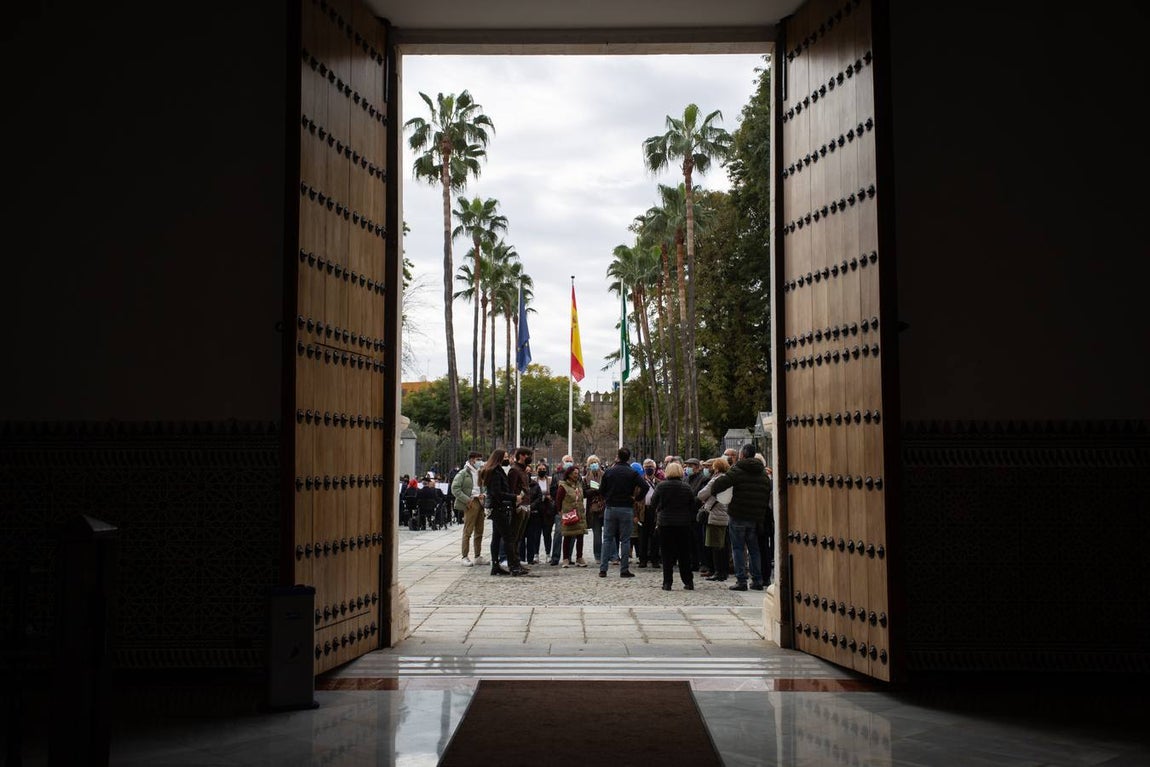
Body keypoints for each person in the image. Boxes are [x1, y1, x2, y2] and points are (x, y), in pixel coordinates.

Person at [709, 443, 770, 591]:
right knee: (754, 549)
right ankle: (757, 580)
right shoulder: (763, 473)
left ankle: (741, 580)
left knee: (737, 548)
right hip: (756, 517)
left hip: (738, 515)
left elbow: (718, 485)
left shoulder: (738, 469)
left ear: (742, 455)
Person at [597, 447, 646, 579]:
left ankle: (603, 569)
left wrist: (608, 497)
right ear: (628, 458)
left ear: (617, 456)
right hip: (626, 507)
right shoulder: (632, 472)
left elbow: (601, 490)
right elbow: (645, 486)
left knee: (607, 538)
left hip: (611, 507)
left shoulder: (609, 472)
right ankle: (624, 569)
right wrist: (637, 498)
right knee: (625, 540)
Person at [479, 449, 529, 576]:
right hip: (499, 509)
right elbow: (497, 493)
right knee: (509, 537)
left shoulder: (496, 470)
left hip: (498, 508)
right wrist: (514, 497)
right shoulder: (495, 472)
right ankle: (513, 566)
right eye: (506, 457)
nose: (508, 459)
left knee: (497, 537)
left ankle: (496, 565)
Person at [648, 460, 696, 590]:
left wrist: (660, 510)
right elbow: (693, 505)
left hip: (665, 523)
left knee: (666, 554)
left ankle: (667, 582)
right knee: (684, 554)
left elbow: (653, 503)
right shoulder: (686, 487)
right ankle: (688, 581)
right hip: (683, 524)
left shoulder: (661, 486)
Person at [696, 457, 731, 582]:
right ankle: (722, 571)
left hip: (715, 514)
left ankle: (718, 572)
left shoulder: (716, 479)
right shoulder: (728, 479)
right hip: (725, 513)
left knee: (715, 545)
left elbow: (702, 494)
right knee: (723, 545)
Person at [451, 451, 487, 567]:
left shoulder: (480, 472)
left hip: (480, 502)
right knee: (468, 531)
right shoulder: (463, 473)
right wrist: (467, 499)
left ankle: (478, 556)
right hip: (471, 502)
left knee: (480, 530)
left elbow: (484, 486)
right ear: (472, 460)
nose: (480, 461)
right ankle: (465, 556)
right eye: (478, 459)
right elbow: (455, 488)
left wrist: (484, 495)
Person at [504, 447, 534, 570]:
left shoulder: (523, 471)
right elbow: (511, 489)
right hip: (518, 506)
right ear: (521, 456)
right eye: (527, 455)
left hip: (526, 505)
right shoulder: (514, 471)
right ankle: (513, 564)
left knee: (520, 536)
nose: (529, 458)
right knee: (514, 536)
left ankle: (517, 562)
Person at [555, 464, 586, 567]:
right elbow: (558, 500)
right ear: (569, 474)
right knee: (567, 537)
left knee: (580, 536)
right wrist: (560, 511)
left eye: (577, 473)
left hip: (579, 514)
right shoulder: (563, 486)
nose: (576, 475)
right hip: (569, 514)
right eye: (574, 473)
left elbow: (582, 496)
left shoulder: (579, 485)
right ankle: (565, 558)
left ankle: (579, 557)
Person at [524, 461, 554, 564]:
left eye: (543, 469)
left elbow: (553, 492)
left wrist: (549, 497)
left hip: (547, 510)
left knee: (547, 533)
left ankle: (548, 554)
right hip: (536, 510)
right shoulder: (533, 482)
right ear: (536, 471)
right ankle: (535, 554)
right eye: (539, 469)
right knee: (536, 533)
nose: (542, 471)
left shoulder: (550, 481)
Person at [547, 454, 575, 566]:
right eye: (567, 461)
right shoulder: (556, 475)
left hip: (573, 508)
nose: (569, 462)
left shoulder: (576, 476)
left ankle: (568, 557)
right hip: (561, 509)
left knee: (572, 534)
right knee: (558, 533)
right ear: (563, 463)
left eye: (570, 461)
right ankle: (555, 557)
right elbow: (553, 491)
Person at [636, 458, 661, 568]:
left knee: (655, 536)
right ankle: (643, 559)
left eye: (651, 467)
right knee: (642, 537)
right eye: (646, 467)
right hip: (642, 510)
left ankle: (655, 559)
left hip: (655, 511)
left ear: (655, 469)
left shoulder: (659, 483)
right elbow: (634, 500)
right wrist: (635, 515)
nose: (649, 469)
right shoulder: (639, 483)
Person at [684, 457, 706, 574]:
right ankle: (693, 561)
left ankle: (702, 562)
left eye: (691, 466)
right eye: (687, 466)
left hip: (697, 512)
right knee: (690, 540)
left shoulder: (703, 479)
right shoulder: (686, 479)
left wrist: (690, 500)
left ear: (697, 467)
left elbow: (700, 496)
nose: (688, 468)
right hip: (687, 513)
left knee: (699, 539)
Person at [582, 454, 605, 565]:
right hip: (593, 508)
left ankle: (612, 555)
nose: (594, 465)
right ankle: (598, 555)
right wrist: (593, 490)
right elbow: (584, 493)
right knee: (597, 533)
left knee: (609, 533)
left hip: (605, 506)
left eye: (595, 462)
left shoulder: (605, 475)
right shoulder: (586, 478)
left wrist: (600, 489)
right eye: (591, 463)